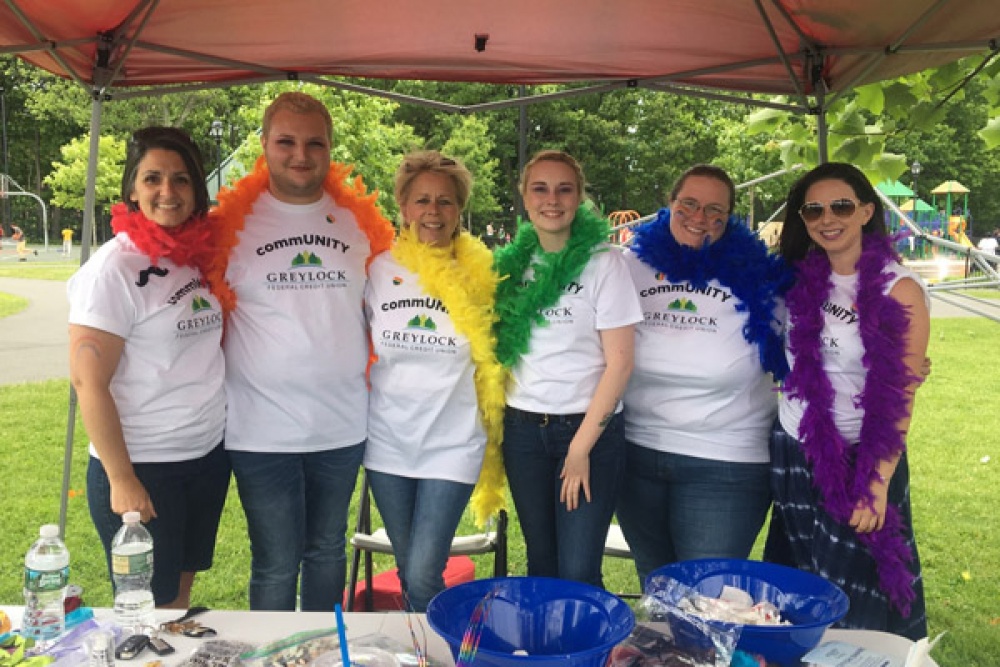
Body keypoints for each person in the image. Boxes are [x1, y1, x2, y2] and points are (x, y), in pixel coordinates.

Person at [205, 91, 393, 611]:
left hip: (343, 424)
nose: (301, 155)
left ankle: (323, 652)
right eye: (285, 141)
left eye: (315, 143)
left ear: (331, 147)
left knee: (328, 550)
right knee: (275, 561)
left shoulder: (362, 224)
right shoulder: (228, 226)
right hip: (259, 429)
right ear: (264, 143)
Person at [764, 162, 930, 640]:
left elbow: (898, 394)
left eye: (840, 206)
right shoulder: (798, 278)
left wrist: (876, 483)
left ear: (865, 212)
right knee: (797, 584)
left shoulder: (898, 288)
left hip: (860, 458)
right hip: (796, 447)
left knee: (852, 593)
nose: (826, 218)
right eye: (813, 209)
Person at [67, 127, 229, 609]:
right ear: (131, 189)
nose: (167, 191)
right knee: (146, 609)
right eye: (153, 178)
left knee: (177, 596)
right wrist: (121, 478)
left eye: (181, 180)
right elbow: (86, 380)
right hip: (143, 467)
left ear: (198, 190)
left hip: (204, 457)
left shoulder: (197, 257)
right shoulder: (112, 270)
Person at [616, 165, 791, 584]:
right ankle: (661, 654)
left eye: (716, 210)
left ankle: (707, 654)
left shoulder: (761, 279)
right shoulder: (629, 266)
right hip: (636, 453)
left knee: (709, 595)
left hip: (725, 460)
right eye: (689, 204)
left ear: (731, 217)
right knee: (657, 587)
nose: (700, 218)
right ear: (670, 205)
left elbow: (818, 339)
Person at [364, 150, 506, 611]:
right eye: (422, 200)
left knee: (424, 571)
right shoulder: (377, 270)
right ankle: (425, 652)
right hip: (387, 442)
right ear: (402, 207)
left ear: (459, 209)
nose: (433, 211)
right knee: (409, 570)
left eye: (445, 201)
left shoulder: (483, 274)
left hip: (454, 442)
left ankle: (454, 650)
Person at [493, 150, 641, 587]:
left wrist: (580, 449)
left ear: (579, 198)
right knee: (541, 560)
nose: (552, 199)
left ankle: (585, 653)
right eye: (540, 188)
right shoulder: (509, 265)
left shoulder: (604, 264)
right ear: (524, 196)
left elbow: (621, 363)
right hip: (522, 429)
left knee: (577, 568)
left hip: (587, 431)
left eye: (564, 189)